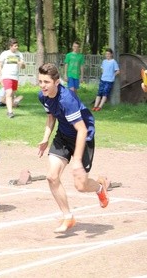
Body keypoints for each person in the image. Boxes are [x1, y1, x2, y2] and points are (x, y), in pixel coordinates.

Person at [37, 63, 109, 233]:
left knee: (81, 186)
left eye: (46, 82)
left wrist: (76, 161)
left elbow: (82, 130)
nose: (42, 85)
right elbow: (51, 117)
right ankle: (68, 217)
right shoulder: (43, 96)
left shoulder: (67, 99)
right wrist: (45, 138)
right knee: (52, 177)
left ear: (56, 82)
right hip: (63, 136)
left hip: (82, 138)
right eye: (40, 81)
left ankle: (100, 187)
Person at [0, 38, 26, 118]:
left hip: (15, 77)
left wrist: (21, 64)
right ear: (10, 46)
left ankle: (10, 108)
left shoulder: (19, 54)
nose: (17, 47)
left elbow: (23, 67)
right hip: (6, 76)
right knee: (8, 93)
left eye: (17, 46)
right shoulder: (4, 54)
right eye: (15, 46)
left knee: (12, 94)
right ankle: (10, 112)